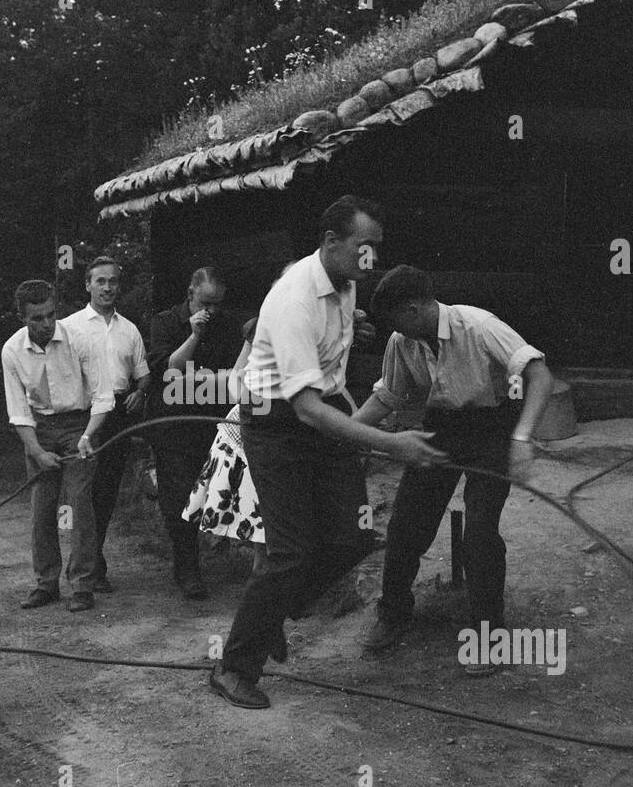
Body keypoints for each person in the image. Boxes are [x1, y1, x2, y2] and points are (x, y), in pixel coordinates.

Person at [208, 196, 445, 710]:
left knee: (353, 535)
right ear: (331, 241)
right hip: (277, 422)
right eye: (364, 248)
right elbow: (308, 411)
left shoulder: (344, 280)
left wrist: (349, 329)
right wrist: (391, 443)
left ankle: (271, 612)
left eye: (376, 249)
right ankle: (233, 669)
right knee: (291, 552)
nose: (371, 261)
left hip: (322, 404)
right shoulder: (294, 299)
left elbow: (324, 378)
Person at [352, 265, 554, 670]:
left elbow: (540, 376)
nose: (392, 329)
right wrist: (346, 431)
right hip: (440, 428)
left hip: (493, 428)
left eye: (395, 319)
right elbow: (388, 396)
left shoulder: (479, 326)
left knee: (479, 534)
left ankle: (489, 637)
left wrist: (521, 439)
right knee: (406, 523)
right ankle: (393, 613)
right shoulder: (401, 341)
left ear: (411, 310)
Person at [0, 279, 113, 613]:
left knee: (80, 504)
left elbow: (103, 395)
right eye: (37, 318)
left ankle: (82, 585)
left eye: (50, 315)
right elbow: (18, 410)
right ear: (22, 317)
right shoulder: (12, 351)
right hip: (40, 428)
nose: (46, 324)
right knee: (42, 507)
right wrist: (36, 451)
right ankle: (46, 584)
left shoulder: (79, 339)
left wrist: (88, 436)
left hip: (80, 424)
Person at [147, 267, 245, 598]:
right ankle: (186, 569)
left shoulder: (228, 325)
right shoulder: (164, 322)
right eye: (206, 302)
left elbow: (237, 372)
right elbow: (169, 372)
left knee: (218, 494)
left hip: (214, 425)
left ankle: (233, 562)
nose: (212, 311)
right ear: (190, 292)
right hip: (174, 428)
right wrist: (193, 337)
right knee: (178, 500)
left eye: (217, 304)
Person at [63, 256, 150, 594]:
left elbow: (142, 377)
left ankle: (93, 564)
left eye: (113, 281)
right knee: (81, 494)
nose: (108, 288)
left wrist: (140, 394)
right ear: (88, 284)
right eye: (100, 281)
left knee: (106, 492)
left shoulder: (129, 330)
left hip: (117, 416)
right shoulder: (70, 327)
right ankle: (82, 567)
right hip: (84, 416)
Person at [182, 316, 266, 574]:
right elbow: (236, 377)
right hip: (251, 424)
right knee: (257, 514)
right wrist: (246, 399)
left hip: (288, 426)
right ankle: (260, 579)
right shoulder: (259, 327)